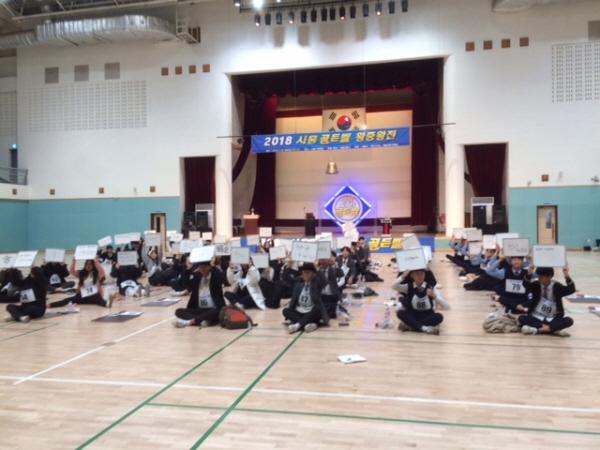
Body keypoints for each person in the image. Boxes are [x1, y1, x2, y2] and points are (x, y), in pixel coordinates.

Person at [519, 266, 575, 337]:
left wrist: (566, 275)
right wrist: (529, 273)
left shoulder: (557, 286)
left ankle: (538, 330)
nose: (539, 278)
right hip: (536, 316)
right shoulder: (536, 285)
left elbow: (571, 289)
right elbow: (525, 284)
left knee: (569, 320)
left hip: (552, 317)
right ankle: (553, 329)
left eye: (542, 276)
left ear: (549, 277)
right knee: (521, 318)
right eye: (539, 276)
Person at [173, 260, 226, 328]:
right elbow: (186, 285)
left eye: (205, 267)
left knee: (217, 312)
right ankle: (204, 319)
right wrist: (188, 270)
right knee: (178, 311)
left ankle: (191, 321)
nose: (203, 269)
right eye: (201, 267)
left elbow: (222, 278)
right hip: (200, 309)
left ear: (209, 267)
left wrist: (214, 266)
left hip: (213, 308)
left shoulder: (215, 278)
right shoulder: (197, 278)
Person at [393, 269, 444, 334]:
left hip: (427, 315)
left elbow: (446, 306)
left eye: (422, 274)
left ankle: (412, 325)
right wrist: (403, 275)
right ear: (412, 275)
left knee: (439, 316)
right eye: (417, 274)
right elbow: (394, 286)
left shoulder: (429, 286)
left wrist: (434, 296)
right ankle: (424, 328)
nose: (420, 276)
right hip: (413, 313)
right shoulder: (408, 285)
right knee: (400, 312)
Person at [283, 263, 329, 333]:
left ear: (313, 274)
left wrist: (317, 270)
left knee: (318, 309)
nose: (305, 274)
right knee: (285, 311)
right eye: (304, 272)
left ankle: (297, 325)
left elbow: (325, 281)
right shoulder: (298, 282)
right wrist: (288, 267)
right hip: (299, 311)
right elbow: (286, 279)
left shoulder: (316, 283)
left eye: (308, 272)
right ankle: (312, 324)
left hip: (311, 311)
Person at [319, 252, 345, 318]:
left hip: (332, 296)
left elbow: (342, 279)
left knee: (331, 315)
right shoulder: (317, 271)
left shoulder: (335, 269)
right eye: (321, 259)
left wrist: (336, 285)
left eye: (325, 259)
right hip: (321, 296)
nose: (323, 261)